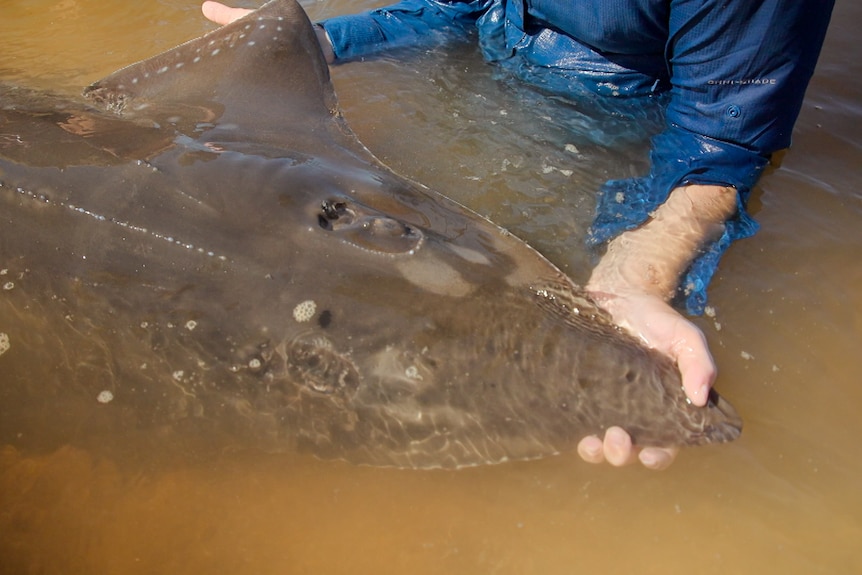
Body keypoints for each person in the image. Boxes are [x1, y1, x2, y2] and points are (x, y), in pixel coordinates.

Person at [202, 0, 834, 469]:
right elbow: (449, 8)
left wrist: (635, 279)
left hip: (616, 133)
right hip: (475, 84)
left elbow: (719, 146)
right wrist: (318, 43)